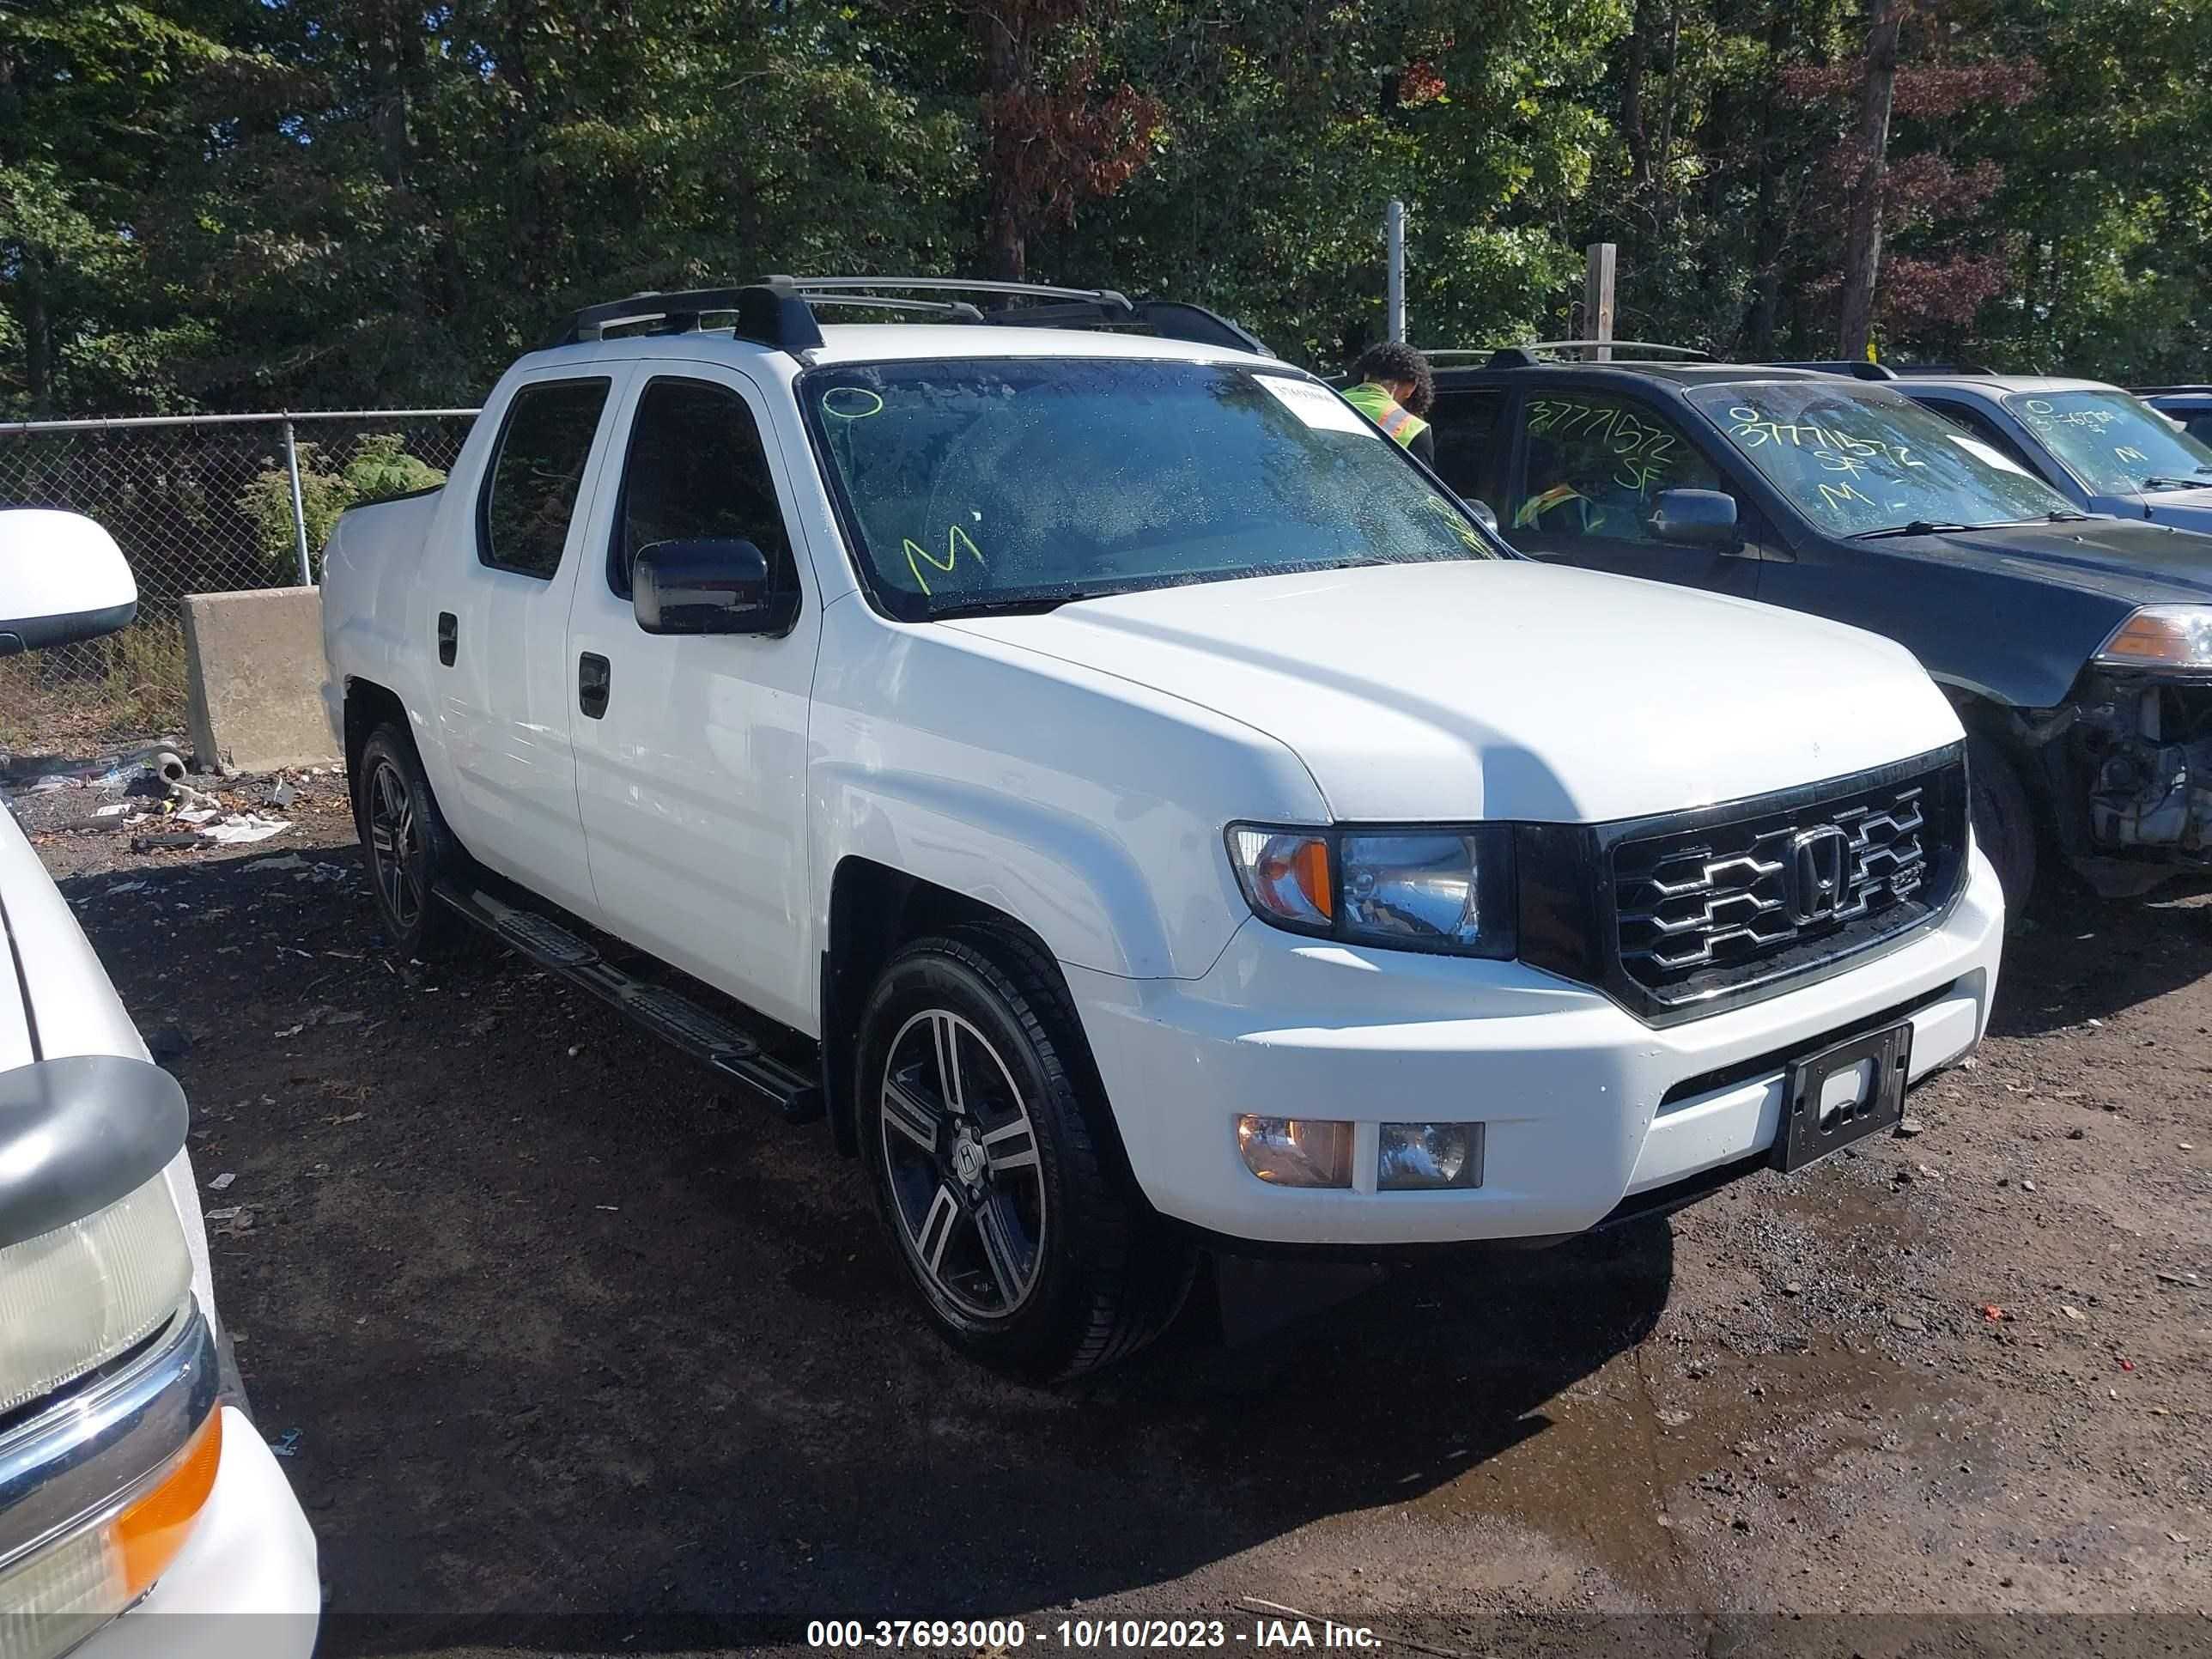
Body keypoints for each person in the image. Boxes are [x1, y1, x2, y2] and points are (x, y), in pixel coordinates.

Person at [1342, 342, 1436, 465]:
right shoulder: (1411, 428)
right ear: (1411, 387)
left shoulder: (1328, 399)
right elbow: (1420, 483)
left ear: (1366, 375)